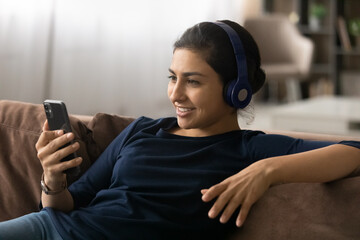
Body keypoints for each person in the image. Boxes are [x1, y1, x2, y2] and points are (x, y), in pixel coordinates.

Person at [0, 20, 360, 240]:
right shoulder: (142, 130)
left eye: (193, 81)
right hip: (47, 229)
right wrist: (52, 178)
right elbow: (66, 205)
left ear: (236, 89)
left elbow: (353, 151)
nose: (175, 93)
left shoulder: (246, 150)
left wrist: (266, 171)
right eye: (172, 78)